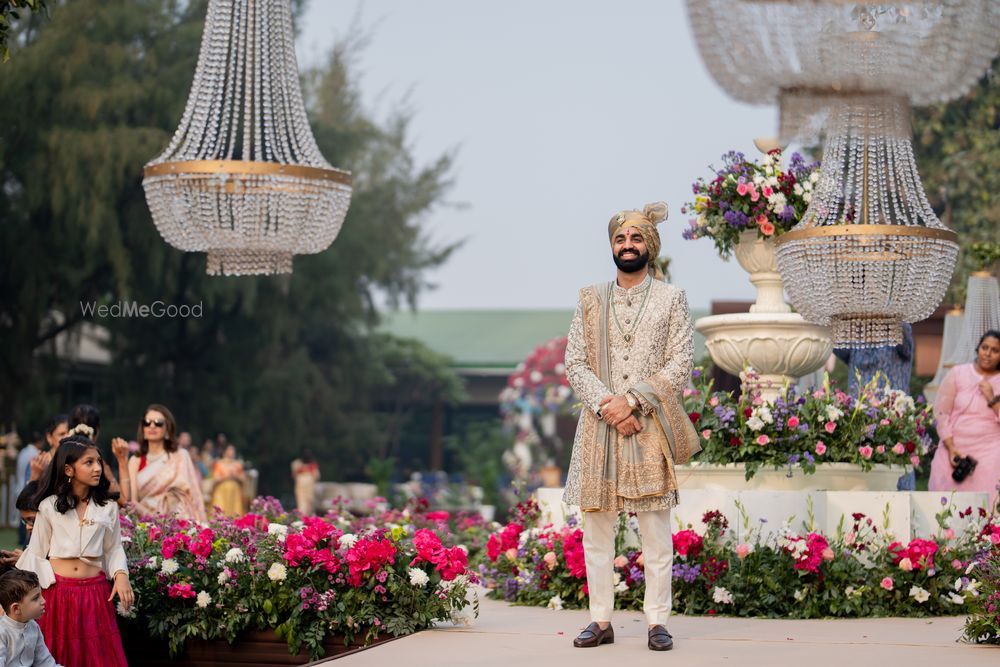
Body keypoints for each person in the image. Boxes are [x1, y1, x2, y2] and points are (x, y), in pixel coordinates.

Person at [562, 202, 699, 652]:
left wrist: (633, 401)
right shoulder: (589, 298)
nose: (627, 245)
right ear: (612, 247)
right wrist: (608, 406)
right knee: (596, 531)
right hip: (600, 430)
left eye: (636, 238)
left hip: (647, 426)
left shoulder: (670, 298)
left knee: (655, 532)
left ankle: (657, 621)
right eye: (621, 239)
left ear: (650, 246)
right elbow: (575, 362)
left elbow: (681, 361)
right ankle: (600, 620)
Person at [16, 427, 132, 666]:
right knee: (57, 654)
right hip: (58, 595)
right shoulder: (49, 506)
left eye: (98, 461)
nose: (98, 468)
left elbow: (113, 548)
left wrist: (121, 575)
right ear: (68, 469)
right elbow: (36, 553)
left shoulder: (108, 506)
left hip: (96, 595)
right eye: (89, 462)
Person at [929, 330, 1000, 506]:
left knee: (987, 506)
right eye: (985, 348)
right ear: (978, 348)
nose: (988, 354)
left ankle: (988, 533)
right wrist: (951, 447)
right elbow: (941, 412)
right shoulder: (958, 373)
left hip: (989, 452)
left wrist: (992, 398)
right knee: (944, 504)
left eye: (995, 350)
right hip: (954, 447)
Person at [127, 405, 206, 522]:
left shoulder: (180, 456)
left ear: (168, 428)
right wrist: (153, 519)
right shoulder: (135, 460)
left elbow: (189, 495)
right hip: (145, 525)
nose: (152, 426)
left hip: (179, 524)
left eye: (158, 423)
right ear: (142, 428)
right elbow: (132, 501)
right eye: (147, 422)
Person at [0, 568, 61, 666]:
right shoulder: (2, 632)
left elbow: (45, 662)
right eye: (36, 598)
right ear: (16, 608)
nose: (43, 601)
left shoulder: (33, 626)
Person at [833, 322, 914, 395]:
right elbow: (835, 344)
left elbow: (906, 347)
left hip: (891, 407)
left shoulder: (896, 331)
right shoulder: (856, 335)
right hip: (859, 408)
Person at [211, 444, 246, 516]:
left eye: (233, 450)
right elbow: (215, 478)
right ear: (225, 451)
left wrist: (235, 476)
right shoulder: (219, 463)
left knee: (235, 509)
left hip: (235, 491)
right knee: (221, 508)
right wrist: (226, 476)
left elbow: (243, 478)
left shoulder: (237, 464)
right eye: (230, 450)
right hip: (222, 490)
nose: (232, 452)